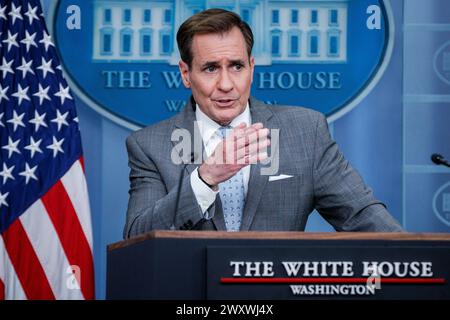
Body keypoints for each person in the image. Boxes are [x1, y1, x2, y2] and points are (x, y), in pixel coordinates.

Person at [123, 8, 403, 238]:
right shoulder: (149, 146)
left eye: (236, 66)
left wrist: (419, 262)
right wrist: (205, 179)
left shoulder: (305, 132)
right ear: (186, 74)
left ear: (252, 67)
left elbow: (362, 217)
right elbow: (138, 237)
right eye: (210, 68)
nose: (226, 84)